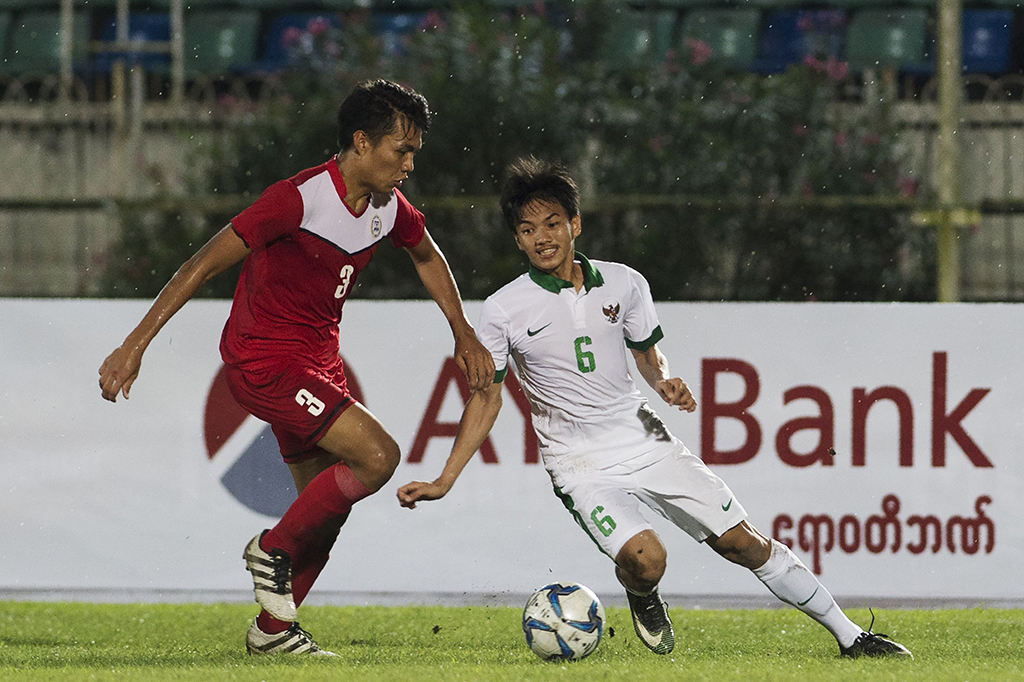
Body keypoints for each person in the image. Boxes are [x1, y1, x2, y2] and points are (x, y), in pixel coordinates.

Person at [397, 157, 912, 660]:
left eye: (553, 223)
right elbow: (487, 397)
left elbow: (647, 353)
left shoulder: (625, 283)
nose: (542, 238)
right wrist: (445, 478)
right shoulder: (503, 309)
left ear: (575, 224)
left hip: (644, 438)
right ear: (517, 240)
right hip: (578, 463)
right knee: (648, 561)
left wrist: (663, 380)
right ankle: (642, 592)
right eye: (528, 230)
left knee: (742, 544)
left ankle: (851, 637)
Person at [99, 79, 494, 656]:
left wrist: (462, 331)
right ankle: (270, 548)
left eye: (415, 151)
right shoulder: (298, 199)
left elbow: (427, 255)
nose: (411, 163)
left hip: (318, 364)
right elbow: (202, 263)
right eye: (402, 149)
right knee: (379, 457)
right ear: (362, 142)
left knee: (323, 516)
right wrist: (135, 344)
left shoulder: (388, 207)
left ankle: (272, 632)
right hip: (264, 361)